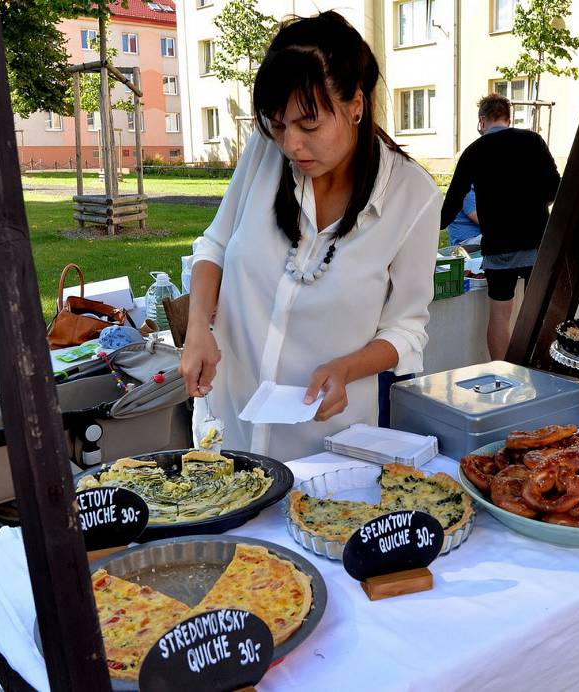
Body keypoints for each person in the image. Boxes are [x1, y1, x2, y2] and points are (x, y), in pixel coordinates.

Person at [180, 12, 442, 461]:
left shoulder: (412, 197)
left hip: (328, 452)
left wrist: (347, 368)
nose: (291, 145)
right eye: (278, 125)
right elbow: (215, 246)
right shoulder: (265, 154)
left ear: (356, 104)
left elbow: (406, 328)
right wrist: (197, 328)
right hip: (230, 431)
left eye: (309, 125)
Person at [440, 94, 560, 360]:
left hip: (498, 244)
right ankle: (540, 368)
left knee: (499, 314)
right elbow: (556, 188)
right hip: (536, 242)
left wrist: (424, 232)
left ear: (482, 120)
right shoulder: (533, 141)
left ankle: (502, 373)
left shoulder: (474, 151)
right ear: (508, 117)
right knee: (538, 312)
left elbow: (451, 203)